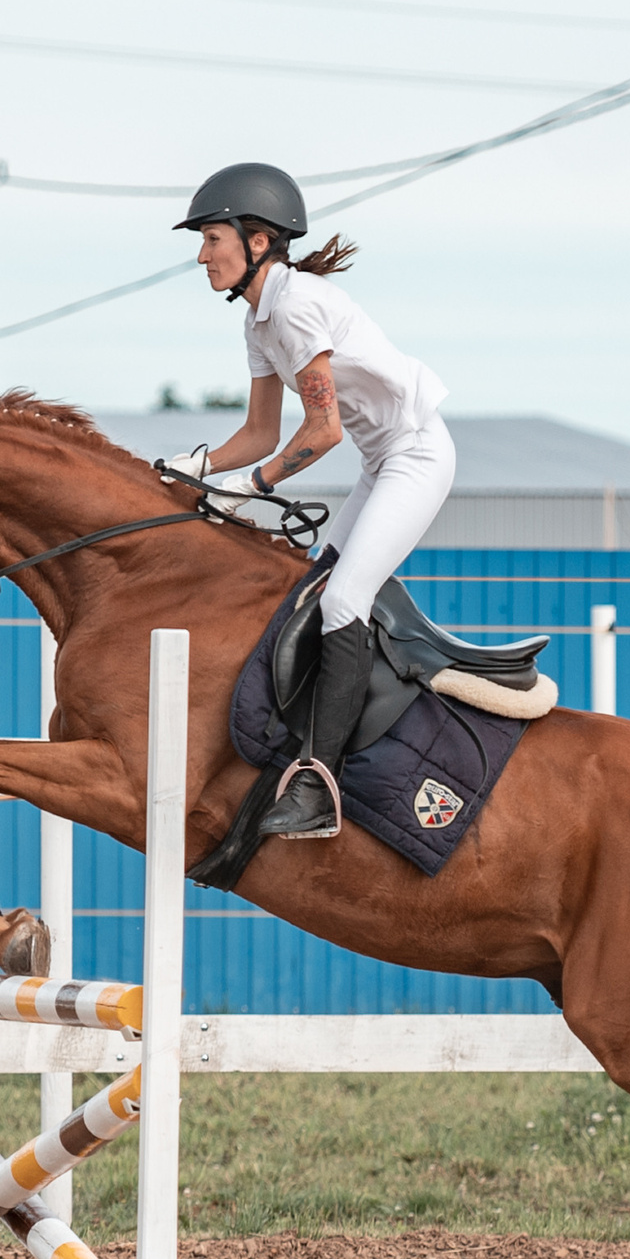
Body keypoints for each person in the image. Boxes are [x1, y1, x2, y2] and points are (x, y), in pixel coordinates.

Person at [167, 162, 456, 840]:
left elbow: (322, 431)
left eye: (212, 238)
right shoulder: (259, 322)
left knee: (343, 601)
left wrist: (256, 486)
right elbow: (260, 433)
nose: (202, 255)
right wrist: (201, 466)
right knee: (312, 589)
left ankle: (321, 786)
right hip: (382, 462)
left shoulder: (294, 308)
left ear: (258, 240)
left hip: (416, 457)